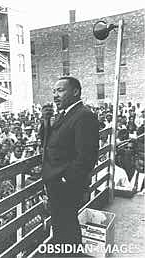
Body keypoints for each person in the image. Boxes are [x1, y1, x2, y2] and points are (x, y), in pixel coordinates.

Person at [40, 77, 99, 254]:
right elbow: (46, 141)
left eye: (60, 91)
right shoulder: (63, 113)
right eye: (54, 91)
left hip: (66, 184)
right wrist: (45, 120)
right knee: (61, 226)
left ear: (75, 92)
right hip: (56, 181)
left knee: (67, 226)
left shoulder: (84, 115)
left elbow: (87, 156)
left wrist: (66, 179)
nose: (55, 95)